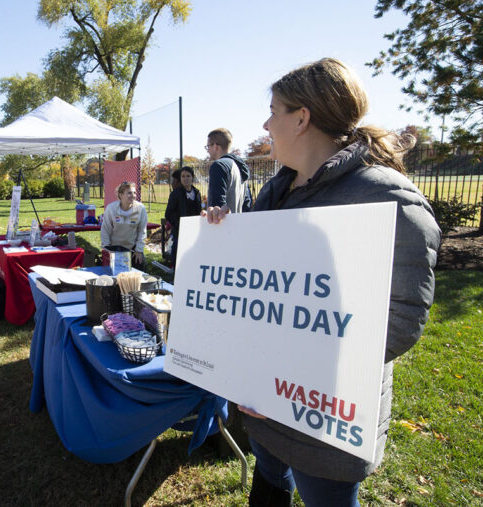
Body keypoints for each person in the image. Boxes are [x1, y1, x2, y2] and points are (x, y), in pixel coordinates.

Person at [206, 58, 440, 506]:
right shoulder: (278, 193)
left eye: (273, 110)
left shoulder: (386, 198)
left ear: (301, 118)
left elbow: (398, 321)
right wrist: (223, 236)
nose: (265, 122)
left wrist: (281, 381)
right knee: (270, 484)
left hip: (323, 419)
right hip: (267, 408)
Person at [100, 181, 148, 270]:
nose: (133, 195)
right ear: (121, 195)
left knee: (138, 274)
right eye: (129, 193)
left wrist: (139, 250)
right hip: (114, 249)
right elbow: (105, 229)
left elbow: (142, 231)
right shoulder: (111, 208)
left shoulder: (141, 208)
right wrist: (106, 249)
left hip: (132, 249)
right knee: (114, 275)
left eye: (134, 192)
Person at [205, 128, 249, 214]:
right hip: (237, 223)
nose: (207, 150)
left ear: (215, 146)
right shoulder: (240, 168)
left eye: (208, 146)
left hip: (222, 225)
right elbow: (246, 204)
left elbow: (217, 206)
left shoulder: (219, 166)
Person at [164, 166, 202, 261]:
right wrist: (179, 224)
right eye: (183, 176)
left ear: (192, 177)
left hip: (194, 228)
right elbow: (168, 213)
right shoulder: (175, 194)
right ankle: (175, 269)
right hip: (180, 229)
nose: (185, 179)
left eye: (188, 176)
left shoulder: (197, 193)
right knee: (178, 250)